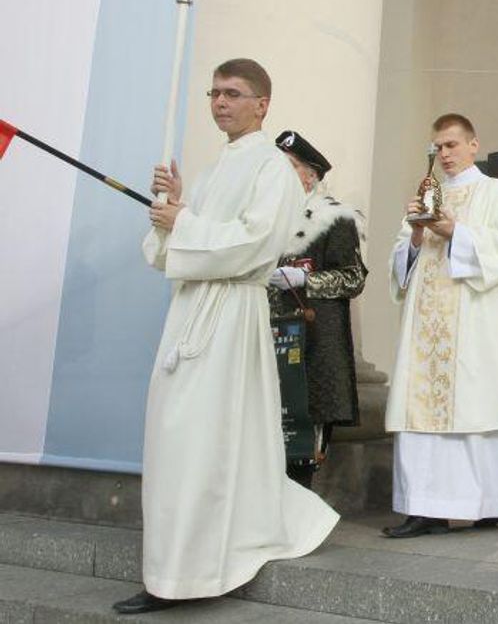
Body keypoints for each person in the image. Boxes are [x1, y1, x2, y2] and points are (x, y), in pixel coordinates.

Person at [115, 59, 339, 615]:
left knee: (201, 442)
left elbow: (254, 245)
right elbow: (175, 250)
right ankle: (173, 564)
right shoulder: (218, 167)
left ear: (262, 105)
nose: (219, 102)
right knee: (177, 440)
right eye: (214, 93)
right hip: (191, 312)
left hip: (231, 319)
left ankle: (186, 574)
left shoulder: (272, 168)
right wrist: (170, 213)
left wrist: (183, 223)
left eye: (233, 94)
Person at [384, 113, 498, 538]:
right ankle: (421, 508)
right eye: (437, 147)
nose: (444, 154)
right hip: (425, 329)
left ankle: (486, 504)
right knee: (421, 412)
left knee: (475, 407)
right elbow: (400, 265)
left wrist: (456, 232)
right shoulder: (425, 194)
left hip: (475, 326)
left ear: (473, 145)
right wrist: (414, 236)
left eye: (451, 145)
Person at [268, 130, 367, 488]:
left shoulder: (333, 218)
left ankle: (298, 516)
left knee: (300, 441)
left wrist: (304, 280)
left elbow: (353, 278)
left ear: (309, 174)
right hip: (269, 338)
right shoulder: (267, 216)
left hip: (312, 345)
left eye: (288, 167)